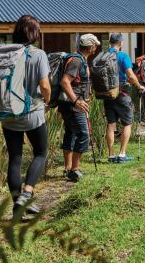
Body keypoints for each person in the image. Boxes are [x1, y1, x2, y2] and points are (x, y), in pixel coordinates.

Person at [1, 15, 51, 215]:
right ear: (35, 34)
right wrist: (47, 101)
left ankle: (17, 206)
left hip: (8, 113)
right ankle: (27, 193)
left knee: (15, 158)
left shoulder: (5, 54)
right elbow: (45, 86)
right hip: (32, 112)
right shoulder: (38, 55)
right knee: (40, 153)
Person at [59, 33, 100, 182]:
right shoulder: (76, 61)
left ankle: (68, 168)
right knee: (84, 134)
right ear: (90, 47)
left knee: (71, 133)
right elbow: (65, 82)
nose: (96, 47)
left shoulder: (78, 58)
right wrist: (76, 100)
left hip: (68, 103)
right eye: (95, 45)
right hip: (73, 104)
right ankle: (74, 170)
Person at [104, 33, 145, 163]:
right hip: (122, 93)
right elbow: (131, 75)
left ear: (110, 42)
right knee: (127, 123)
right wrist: (139, 86)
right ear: (120, 43)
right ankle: (122, 154)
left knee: (111, 124)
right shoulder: (123, 56)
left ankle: (111, 155)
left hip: (107, 93)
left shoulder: (103, 56)